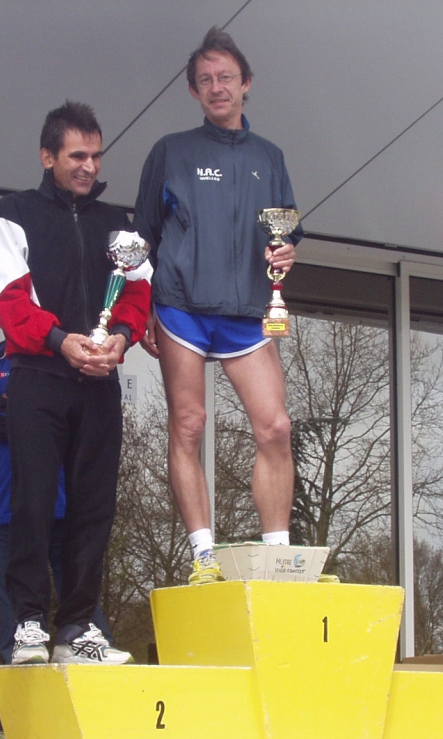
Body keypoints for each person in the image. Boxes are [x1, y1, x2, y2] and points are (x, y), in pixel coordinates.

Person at [134, 27, 303, 585]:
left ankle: (278, 557)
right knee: (188, 423)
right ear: (193, 90)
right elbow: (143, 234)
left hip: (248, 310)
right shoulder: (171, 151)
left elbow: (286, 229)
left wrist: (286, 251)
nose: (216, 87)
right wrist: (144, 307)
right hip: (181, 306)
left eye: (226, 77)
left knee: (275, 426)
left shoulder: (270, 157)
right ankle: (204, 556)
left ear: (246, 83)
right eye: (205, 80)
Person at [0, 101, 151, 665]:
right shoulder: (13, 213)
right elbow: (7, 300)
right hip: (38, 375)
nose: (89, 166)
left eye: (96, 155)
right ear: (47, 156)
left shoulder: (117, 224)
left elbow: (137, 293)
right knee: (32, 501)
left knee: (94, 507)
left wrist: (120, 340)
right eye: (77, 155)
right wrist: (61, 341)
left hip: (99, 379)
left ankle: (78, 625)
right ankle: (29, 623)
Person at [0, 344, 114, 679]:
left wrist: (37, 412)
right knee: (19, 629)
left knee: (86, 619)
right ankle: (13, 711)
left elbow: (81, 421)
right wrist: (40, 414)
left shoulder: (70, 358)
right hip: (9, 510)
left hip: (68, 508)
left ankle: (96, 702)